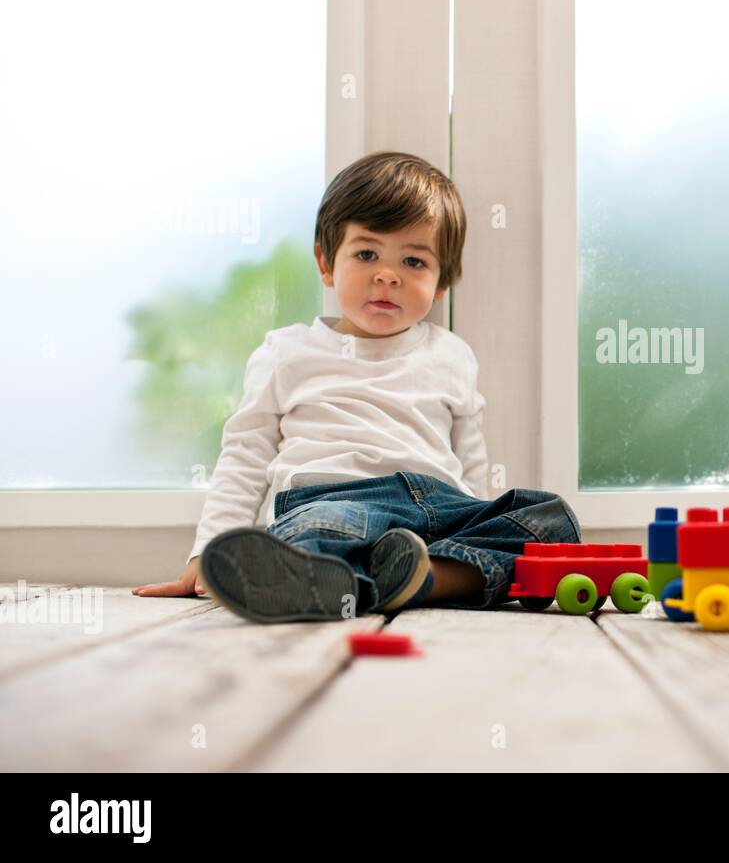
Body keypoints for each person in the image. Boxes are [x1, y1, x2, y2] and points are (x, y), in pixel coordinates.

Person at [132, 151, 580, 622]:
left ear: (442, 281)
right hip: (333, 501)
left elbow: (470, 461)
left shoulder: (452, 355)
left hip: (438, 509)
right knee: (316, 533)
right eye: (367, 254)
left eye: (414, 260)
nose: (388, 274)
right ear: (326, 264)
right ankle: (345, 577)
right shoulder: (288, 353)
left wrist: (474, 518)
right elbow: (245, 457)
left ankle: (420, 577)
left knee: (549, 521)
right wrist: (206, 552)